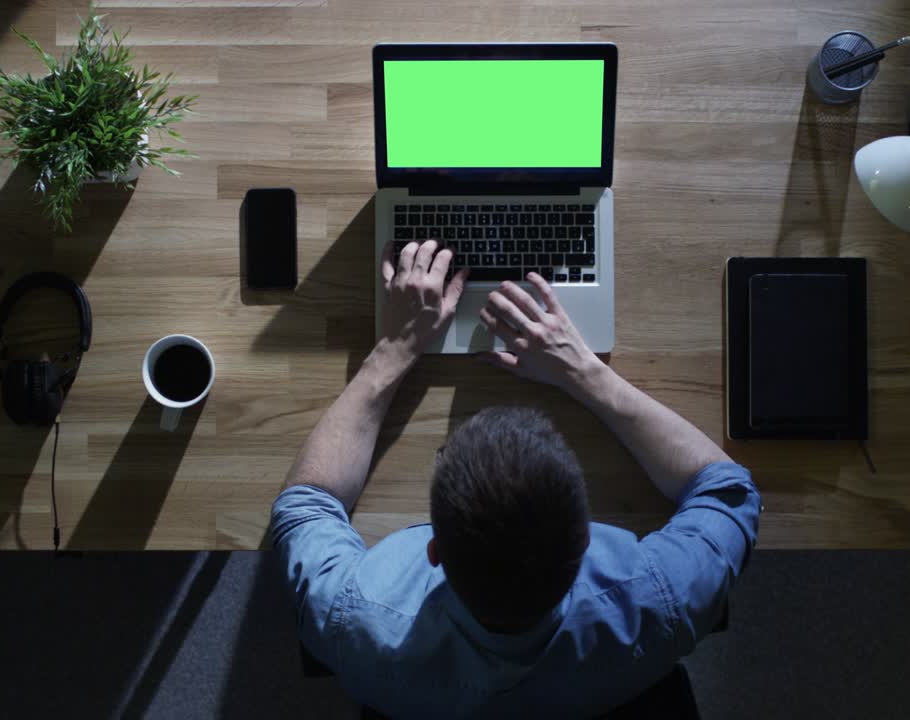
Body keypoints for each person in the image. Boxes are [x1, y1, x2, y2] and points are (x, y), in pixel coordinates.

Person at [270, 240, 761, 719]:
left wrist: (395, 349)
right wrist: (585, 374)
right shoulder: (661, 601)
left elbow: (305, 506)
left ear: (434, 550)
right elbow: (725, 490)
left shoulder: (352, 620)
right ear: (585, 538)